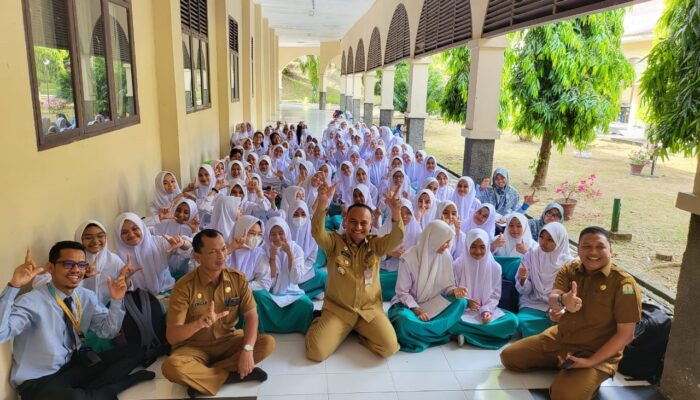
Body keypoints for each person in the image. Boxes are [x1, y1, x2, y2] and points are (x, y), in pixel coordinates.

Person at [501, 227, 642, 400]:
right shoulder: (570, 269)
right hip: (560, 338)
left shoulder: (624, 284)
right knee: (509, 358)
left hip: (594, 351)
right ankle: (564, 364)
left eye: (600, 247)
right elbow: (553, 299)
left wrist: (590, 362)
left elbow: (626, 335)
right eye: (586, 246)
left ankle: (584, 375)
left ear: (611, 250)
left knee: (563, 396)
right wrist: (563, 301)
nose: (593, 252)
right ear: (579, 248)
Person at [1, 242, 152, 400]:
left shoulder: (85, 296)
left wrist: (116, 301)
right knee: (75, 398)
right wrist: (14, 286)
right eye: (68, 264)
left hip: (72, 366)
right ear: (51, 268)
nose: (76, 270)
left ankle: (93, 392)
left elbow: (109, 332)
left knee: (134, 350)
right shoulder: (31, 302)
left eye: (81, 264)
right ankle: (118, 385)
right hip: (39, 381)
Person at [162, 229, 276, 397]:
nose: (221, 256)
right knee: (171, 367)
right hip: (193, 347)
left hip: (227, 341)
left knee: (267, 343)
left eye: (223, 249)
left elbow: (252, 316)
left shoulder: (238, 279)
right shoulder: (184, 287)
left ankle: (203, 378)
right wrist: (198, 323)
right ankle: (230, 375)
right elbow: (172, 336)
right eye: (213, 252)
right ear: (197, 256)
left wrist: (247, 349)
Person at [305, 182, 404, 361]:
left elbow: (397, 238)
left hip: (369, 311)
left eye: (363, 223)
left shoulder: (376, 244)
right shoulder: (335, 243)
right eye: (353, 222)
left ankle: (358, 332)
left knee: (389, 348)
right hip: (339, 310)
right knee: (316, 353)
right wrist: (322, 205)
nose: (358, 227)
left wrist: (396, 212)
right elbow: (318, 232)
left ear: (371, 224)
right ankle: (319, 320)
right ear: (345, 221)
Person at [388, 220, 468, 353]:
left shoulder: (445, 256)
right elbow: (402, 292)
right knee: (404, 321)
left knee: (461, 302)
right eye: (444, 241)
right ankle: (443, 333)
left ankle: (421, 333)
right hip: (408, 306)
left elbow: (448, 287)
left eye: (449, 242)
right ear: (434, 239)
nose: (447, 246)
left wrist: (455, 291)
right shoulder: (408, 258)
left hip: (433, 304)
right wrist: (417, 310)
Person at [450, 229, 519, 349]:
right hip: (462, 312)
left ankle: (465, 335)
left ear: (487, 247)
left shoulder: (495, 267)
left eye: (482, 247)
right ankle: (477, 335)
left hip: (487, 312)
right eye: (473, 246)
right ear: (467, 246)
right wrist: (466, 302)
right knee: (449, 321)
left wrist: (486, 310)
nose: (478, 251)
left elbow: (496, 294)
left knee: (512, 321)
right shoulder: (458, 265)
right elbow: (453, 290)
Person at [254, 217, 314, 333]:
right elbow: (268, 283)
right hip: (270, 294)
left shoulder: (296, 249)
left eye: (281, 233)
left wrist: (290, 254)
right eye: (273, 234)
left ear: (286, 232)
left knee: (306, 304)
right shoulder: (262, 250)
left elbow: (296, 279)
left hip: (290, 292)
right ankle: (264, 327)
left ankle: (296, 327)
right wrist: (272, 258)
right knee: (258, 296)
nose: (277, 238)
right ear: (267, 236)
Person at [515, 222, 573, 338]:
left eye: (550, 240)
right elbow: (525, 291)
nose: (543, 242)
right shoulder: (531, 255)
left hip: (558, 306)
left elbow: (570, 294)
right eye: (541, 237)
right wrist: (523, 279)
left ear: (560, 241)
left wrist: (561, 309)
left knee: (566, 325)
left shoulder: (569, 264)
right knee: (521, 322)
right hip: (533, 304)